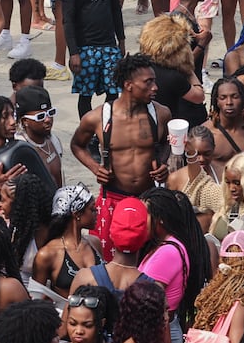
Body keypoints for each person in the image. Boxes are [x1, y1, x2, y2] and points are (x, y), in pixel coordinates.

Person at [68, 53, 169, 246]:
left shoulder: (161, 114)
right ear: (128, 85)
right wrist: (95, 167)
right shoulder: (97, 118)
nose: (155, 87)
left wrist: (163, 162)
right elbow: (76, 145)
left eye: (154, 81)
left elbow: (166, 142)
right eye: (148, 83)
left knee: (147, 259)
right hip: (112, 199)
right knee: (109, 260)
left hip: (149, 199)